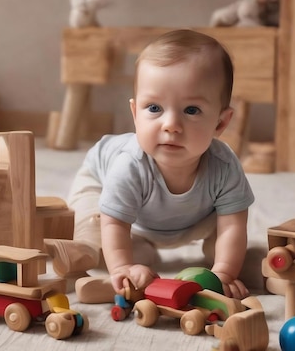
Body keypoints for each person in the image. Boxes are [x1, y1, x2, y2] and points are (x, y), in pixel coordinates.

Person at [44, 29, 254, 300]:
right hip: (101, 187)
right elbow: (115, 224)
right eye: (154, 108)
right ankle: (88, 249)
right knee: (101, 237)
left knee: (229, 242)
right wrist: (121, 268)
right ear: (135, 113)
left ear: (221, 122)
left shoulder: (224, 166)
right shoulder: (130, 165)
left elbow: (233, 226)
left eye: (191, 110)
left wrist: (224, 273)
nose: (171, 125)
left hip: (189, 218)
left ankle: (147, 249)